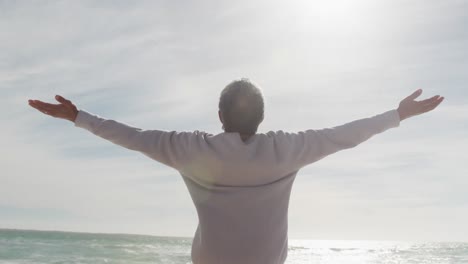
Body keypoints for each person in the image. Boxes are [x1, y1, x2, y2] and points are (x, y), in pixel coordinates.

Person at [28, 78, 444, 264]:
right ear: (262, 117)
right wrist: (396, 115)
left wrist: (78, 116)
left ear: (220, 115)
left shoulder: (190, 149)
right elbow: (345, 135)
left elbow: (131, 135)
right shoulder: (287, 149)